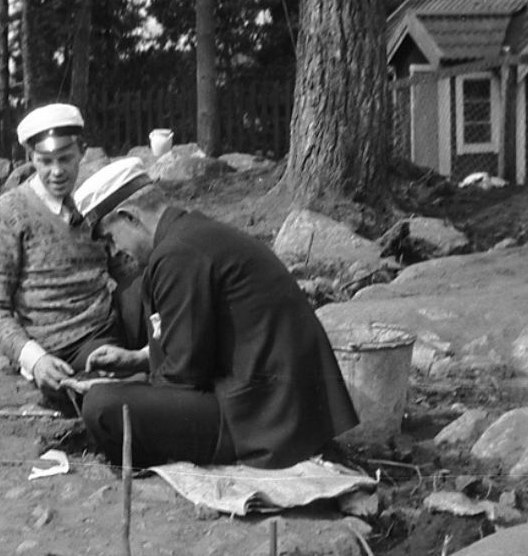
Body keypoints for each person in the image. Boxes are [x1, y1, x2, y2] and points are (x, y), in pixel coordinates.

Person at [72, 158, 360, 469]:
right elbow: (201, 344)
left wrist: (122, 389)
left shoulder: (177, 254)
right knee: (111, 393)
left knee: (101, 405)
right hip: (278, 407)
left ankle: (147, 465)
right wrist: (138, 361)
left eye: (110, 238)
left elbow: (182, 380)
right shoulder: (193, 234)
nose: (114, 251)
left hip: (263, 422)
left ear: (129, 217)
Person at [0, 103, 129, 405]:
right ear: (31, 158)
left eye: (65, 159)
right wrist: (35, 360)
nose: (56, 172)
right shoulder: (7, 214)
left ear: (82, 152)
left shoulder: (93, 203)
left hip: (106, 329)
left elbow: (126, 268)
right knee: (107, 397)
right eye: (45, 161)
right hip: (55, 349)